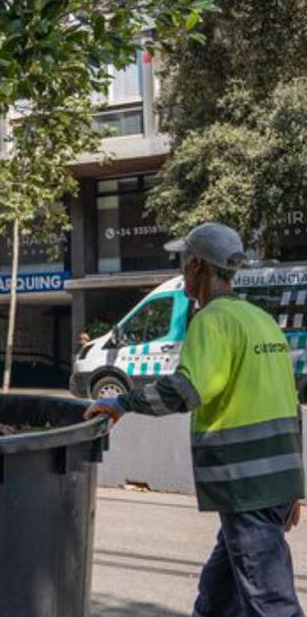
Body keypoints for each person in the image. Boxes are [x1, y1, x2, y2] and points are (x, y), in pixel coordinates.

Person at [86, 222, 304, 617]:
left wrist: (123, 402)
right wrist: (293, 486)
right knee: (218, 595)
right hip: (274, 482)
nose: (182, 269)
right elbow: (288, 404)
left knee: (271, 603)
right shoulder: (261, 321)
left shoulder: (212, 320)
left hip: (245, 484)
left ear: (199, 266)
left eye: (185, 261)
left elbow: (185, 390)